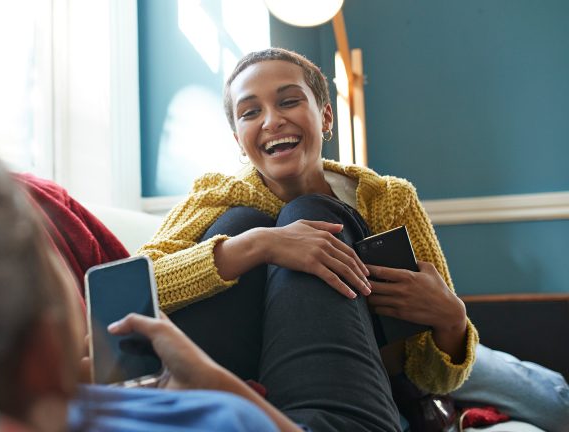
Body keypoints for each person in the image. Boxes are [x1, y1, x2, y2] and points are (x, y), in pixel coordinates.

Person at [0, 94, 302, 431]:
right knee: (284, 216)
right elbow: (150, 269)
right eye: (45, 247)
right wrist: (222, 385)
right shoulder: (214, 416)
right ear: (42, 356)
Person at [138, 47, 479, 428]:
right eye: (250, 112)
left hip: (358, 392)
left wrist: (452, 320)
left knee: (310, 212)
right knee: (244, 222)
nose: (272, 120)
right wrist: (258, 245)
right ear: (238, 139)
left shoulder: (389, 201)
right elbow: (129, 293)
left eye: (289, 101)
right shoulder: (218, 195)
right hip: (235, 378)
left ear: (326, 115)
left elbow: (434, 379)